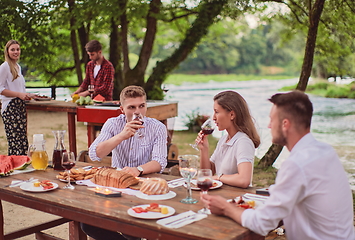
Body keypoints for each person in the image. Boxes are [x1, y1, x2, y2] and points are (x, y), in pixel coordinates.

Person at [201, 91, 355, 240]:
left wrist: (226, 208)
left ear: (285, 124)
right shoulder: (326, 151)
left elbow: (262, 223)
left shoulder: (297, 164)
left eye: (272, 120)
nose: (268, 126)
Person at [81, 85, 167, 240]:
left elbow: (160, 162)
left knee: (132, 229)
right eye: (131, 107)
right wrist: (121, 135)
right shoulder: (112, 124)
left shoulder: (158, 127)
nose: (137, 112)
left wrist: (138, 169)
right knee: (87, 224)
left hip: (144, 187)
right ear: (122, 109)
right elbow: (95, 154)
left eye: (142, 106)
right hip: (116, 186)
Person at [196, 90, 260, 188]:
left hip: (235, 199)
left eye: (217, 112)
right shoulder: (224, 139)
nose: (213, 117)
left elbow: (244, 180)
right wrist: (204, 149)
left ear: (232, 115)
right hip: (221, 196)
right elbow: (207, 175)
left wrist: (218, 177)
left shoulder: (243, 142)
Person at [0, 40, 35, 155]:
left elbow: (18, 89)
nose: (16, 52)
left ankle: (22, 167)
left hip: (19, 106)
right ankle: (14, 168)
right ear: (7, 51)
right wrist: (19, 95)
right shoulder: (4, 67)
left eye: (18, 49)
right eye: (13, 49)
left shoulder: (18, 67)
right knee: (14, 141)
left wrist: (28, 95)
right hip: (10, 107)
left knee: (22, 140)